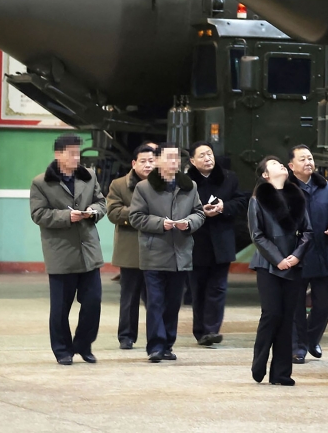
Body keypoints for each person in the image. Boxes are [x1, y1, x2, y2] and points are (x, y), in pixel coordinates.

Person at [29, 134, 107, 365]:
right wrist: (66, 216)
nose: (76, 157)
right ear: (58, 154)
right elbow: (38, 214)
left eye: (78, 153)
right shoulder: (41, 182)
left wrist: (93, 211)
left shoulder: (89, 176)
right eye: (71, 153)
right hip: (61, 253)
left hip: (89, 251)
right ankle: (62, 350)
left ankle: (83, 345)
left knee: (93, 301)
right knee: (61, 307)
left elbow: (101, 202)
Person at [128, 143, 206, 362]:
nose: (174, 162)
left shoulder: (189, 186)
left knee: (173, 303)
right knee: (155, 302)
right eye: (169, 157)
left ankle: (168, 344)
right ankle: (155, 346)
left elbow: (199, 213)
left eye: (177, 158)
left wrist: (188, 223)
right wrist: (161, 223)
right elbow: (136, 217)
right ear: (158, 160)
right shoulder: (144, 188)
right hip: (154, 254)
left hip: (180, 254)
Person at [248, 155, 312, 385]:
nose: (281, 165)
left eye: (281, 163)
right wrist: (278, 259)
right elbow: (257, 235)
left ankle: (282, 373)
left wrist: (296, 256)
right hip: (268, 264)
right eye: (274, 164)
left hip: (294, 263)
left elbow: (308, 231)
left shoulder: (297, 196)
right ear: (265, 174)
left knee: (288, 318)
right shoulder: (258, 200)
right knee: (272, 313)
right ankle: (260, 361)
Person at [187, 141, 248, 346]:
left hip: (222, 240)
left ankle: (212, 330)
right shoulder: (186, 182)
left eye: (210, 154)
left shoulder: (228, 178)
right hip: (197, 241)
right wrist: (199, 212)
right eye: (202, 155)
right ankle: (200, 331)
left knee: (218, 288)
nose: (208, 158)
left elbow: (241, 201)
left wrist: (223, 207)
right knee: (199, 289)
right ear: (192, 161)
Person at [287, 144, 328, 364]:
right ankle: (298, 347)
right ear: (291, 166)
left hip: (322, 251)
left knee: (326, 300)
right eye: (302, 159)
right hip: (296, 253)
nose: (308, 162)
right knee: (296, 303)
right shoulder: (285, 188)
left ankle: (311, 338)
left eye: (310, 158)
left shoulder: (325, 186)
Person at [106, 143, 155, 349]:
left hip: (157, 248)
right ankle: (126, 336)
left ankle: (157, 338)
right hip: (130, 249)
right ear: (134, 163)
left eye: (152, 161)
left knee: (156, 297)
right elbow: (114, 213)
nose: (148, 165)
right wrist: (140, 212)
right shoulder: (118, 185)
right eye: (143, 161)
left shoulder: (166, 184)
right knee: (129, 296)